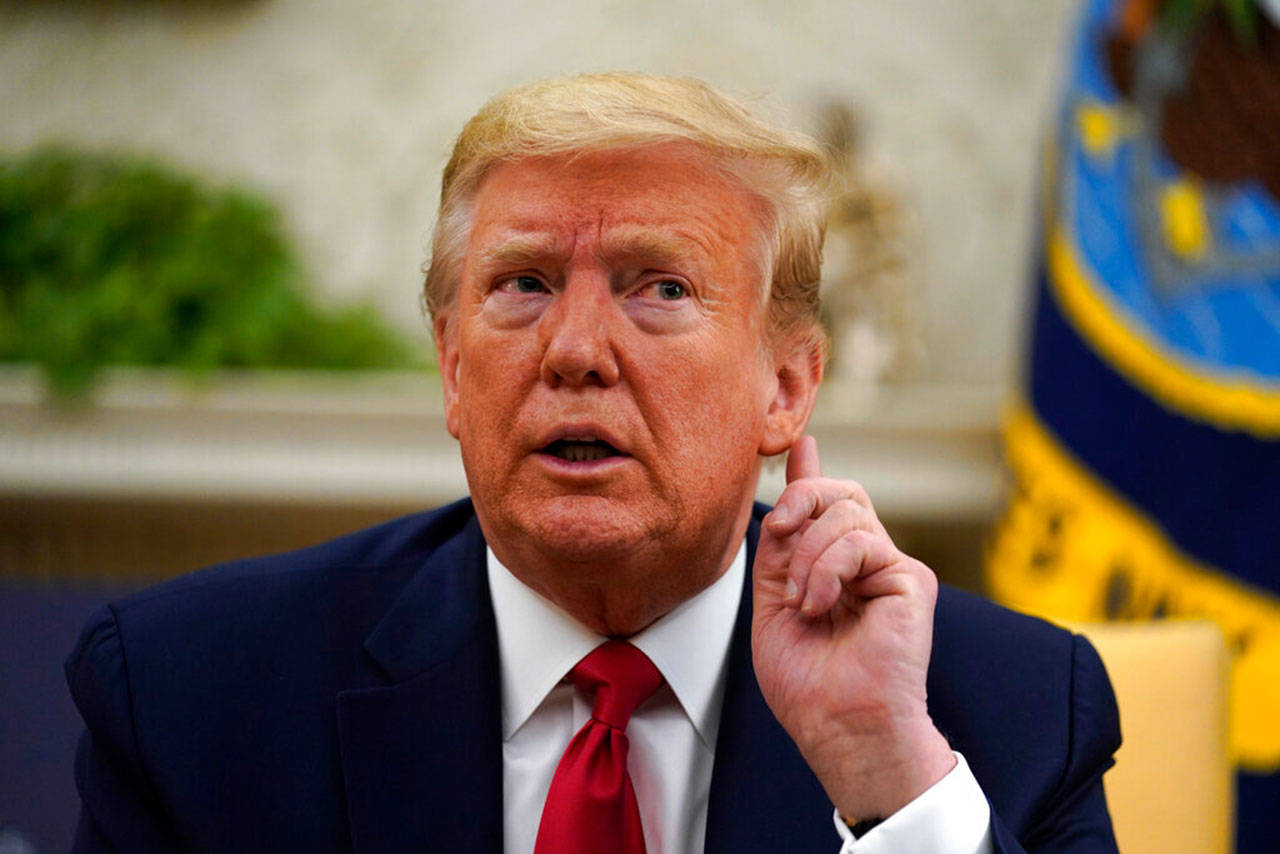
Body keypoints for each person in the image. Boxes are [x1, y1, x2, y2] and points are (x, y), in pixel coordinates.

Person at [66, 73, 1120, 853]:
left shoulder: (1002, 709)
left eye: (657, 288)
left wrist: (884, 779)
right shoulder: (191, 696)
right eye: (521, 283)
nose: (573, 349)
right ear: (448, 364)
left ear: (787, 386)